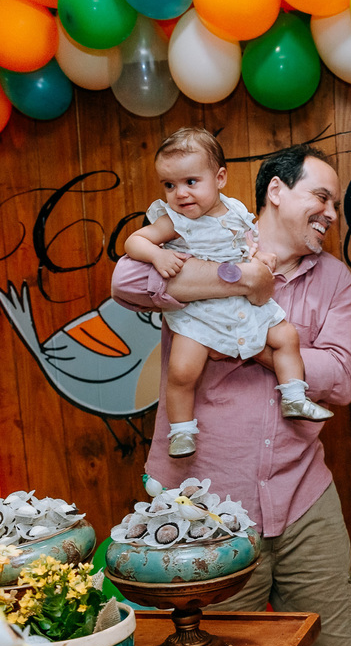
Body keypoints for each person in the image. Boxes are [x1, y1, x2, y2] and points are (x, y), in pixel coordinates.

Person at [112, 144, 351, 646]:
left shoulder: (333, 279)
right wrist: (236, 281)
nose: (331, 212)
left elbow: (341, 378)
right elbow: (126, 276)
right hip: (204, 504)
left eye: (335, 203)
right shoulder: (205, 230)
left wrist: (249, 341)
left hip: (303, 498)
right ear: (276, 191)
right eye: (321, 196)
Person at [123, 128, 331, 459]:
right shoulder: (175, 221)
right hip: (200, 313)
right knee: (182, 370)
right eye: (169, 185)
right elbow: (134, 241)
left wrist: (259, 257)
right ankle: (181, 431)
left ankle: (294, 396)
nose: (180, 193)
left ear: (219, 178)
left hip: (239, 305)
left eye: (191, 182)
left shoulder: (235, 211)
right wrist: (157, 255)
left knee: (286, 336)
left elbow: (245, 246)